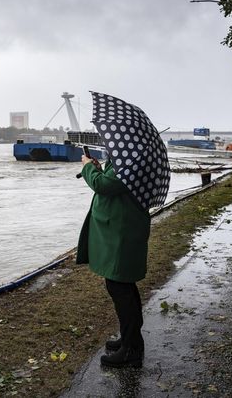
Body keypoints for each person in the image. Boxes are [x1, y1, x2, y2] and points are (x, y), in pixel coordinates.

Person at [76, 154, 151, 368]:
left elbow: (103, 185)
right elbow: (110, 180)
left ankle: (131, 351)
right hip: (121, 229)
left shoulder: (129, 160)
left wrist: (88, 168)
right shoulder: (127, 159)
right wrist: (99, 167)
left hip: (122, 232)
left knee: (119, 286)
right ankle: (132, 340)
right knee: (124, 285)